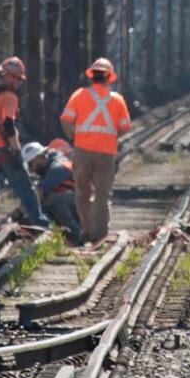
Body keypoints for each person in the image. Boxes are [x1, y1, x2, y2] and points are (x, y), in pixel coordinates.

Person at [59, 57, 131, 245]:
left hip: (82, 151)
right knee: (102, 193)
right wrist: (111, 135)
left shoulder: (79, 95)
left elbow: (66, 120)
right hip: (106, 153)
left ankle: (86, 229)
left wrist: (74, 137)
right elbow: (125, 126)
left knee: (82, 192)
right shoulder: (117, 100)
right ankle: (99, 234)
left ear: (92, 76)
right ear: (109, 78)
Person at [0, 56, 46, 237]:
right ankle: (41, 225)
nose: (18, 83)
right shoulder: (10, 97)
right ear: (8, 77)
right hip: (5, 149)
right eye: (16, 78)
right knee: (25, 189)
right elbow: (8, 125)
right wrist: (16, 148)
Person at [21, 142, 82, 242]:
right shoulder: (49, 164)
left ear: (39, 157)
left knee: (53, 200)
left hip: (83, 202)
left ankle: (76, 235)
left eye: (31, 164)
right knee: (47, 202)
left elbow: (39, 193)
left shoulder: (57, 167)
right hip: (75, 202)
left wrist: (22, 210)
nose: (32, 169)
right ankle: (52, 233)